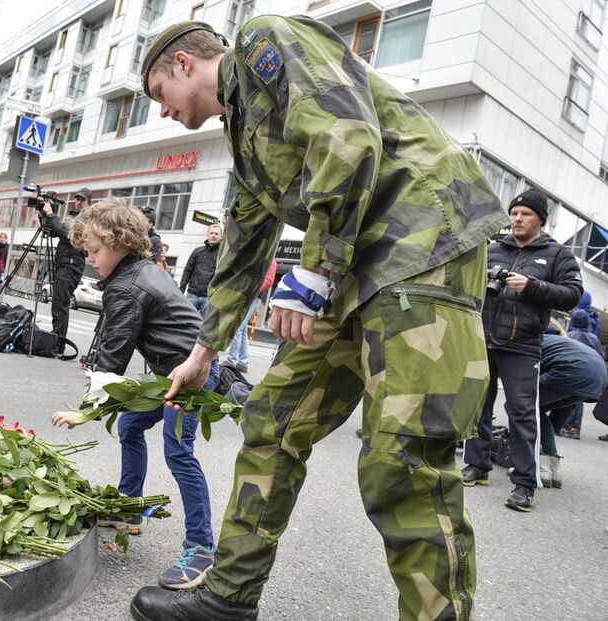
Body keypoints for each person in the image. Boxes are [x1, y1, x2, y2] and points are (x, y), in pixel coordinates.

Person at [131, 17, 510, 620]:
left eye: (158, 95)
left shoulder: (265, 41)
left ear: (183, 64)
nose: (162, 112)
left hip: (421, 242)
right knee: (272, 421)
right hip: (354, 263)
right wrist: (202, 355)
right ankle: (228, 600)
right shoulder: (246, 141)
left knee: (402, 458)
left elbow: (347, 134)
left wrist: (312, 274)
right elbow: (242, 249)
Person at [51, 198, 219, 590]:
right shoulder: (143, 269)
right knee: (130, 425)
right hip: (170, 375)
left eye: (94, 250)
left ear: (120, 242)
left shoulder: (127, 287)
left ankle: (202, 547)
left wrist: (84, 412)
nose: (90, 259)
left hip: (189, 377)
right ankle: (130, 510)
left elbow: (113, 358)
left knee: (179, 452)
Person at [462, 188, 582, 512]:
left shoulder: (558, 255)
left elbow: (572, 294)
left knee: (523, 414)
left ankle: (525, 483)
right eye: (514, 213)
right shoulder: (493, 249)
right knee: (476, 406)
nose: (517, 218)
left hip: (523, 346)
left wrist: (531, 286)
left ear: (540, 219)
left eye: (525, 214)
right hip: (483, 339)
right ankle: (477, 465)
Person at [536, 333, 607, 488]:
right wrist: (547, 436)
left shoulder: (534, 340)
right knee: (537, 409)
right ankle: (553, 468)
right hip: (598, 378)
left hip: (572, 371)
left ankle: (536, 464)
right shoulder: (561, 342)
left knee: (521, 406)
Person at [42, 187, 90, 356]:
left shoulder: (89, 219)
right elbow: (55, 231)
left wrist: (51, 215)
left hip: (71, 265)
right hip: (64, 263)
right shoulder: (72, 217)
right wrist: (44, 215)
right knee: (58, 302)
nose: (78, 203)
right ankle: (57, 338)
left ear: (88, 203)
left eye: (82, 200)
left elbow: (68, 234)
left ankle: (58, 343)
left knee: (60, 303)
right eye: (76, 199)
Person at [557, 309, 605, 439]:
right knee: (579, 402)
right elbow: (601, 356)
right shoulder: (594, 338)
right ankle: (575, 428)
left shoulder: (569, 335)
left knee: (567, 400)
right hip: (588, 374)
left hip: (571, 371)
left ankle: (563, 426)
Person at [224, 259, 276, 373]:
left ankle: (231, 361)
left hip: (253, 297)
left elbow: (269, 281)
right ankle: (243, 362)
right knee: (241, 330)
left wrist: (250, 289)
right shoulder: (257, 255)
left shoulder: (270, 259)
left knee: (237, 328)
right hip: (246, 296)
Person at [179, 223, 220, 318]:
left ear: (220, 236)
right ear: (207, 235)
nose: (213, 235)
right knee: (186, 321)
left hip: (209, 297)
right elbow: (188, 271)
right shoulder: (197, 251)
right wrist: (182, 288)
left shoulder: (222, 255)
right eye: (211, 233)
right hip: (192, 295)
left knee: (203, 326)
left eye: (216, 234)